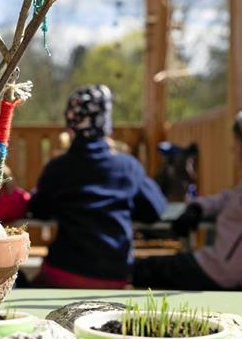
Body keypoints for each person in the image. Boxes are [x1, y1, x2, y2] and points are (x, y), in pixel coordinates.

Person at [133, 104, 242, 291]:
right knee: (147, 269)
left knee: (142, 271)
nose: (234, 150)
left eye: (239, 143)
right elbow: (229, 198)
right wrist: (198, 208)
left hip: (223, 276)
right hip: (215, 264)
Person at [28, 85, 167, 288]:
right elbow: (155, 209)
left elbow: (39, 209)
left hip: (64, 272)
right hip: (113, 276)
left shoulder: (58, 168)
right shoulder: (128, 167)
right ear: (106, 124)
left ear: (70, 123)